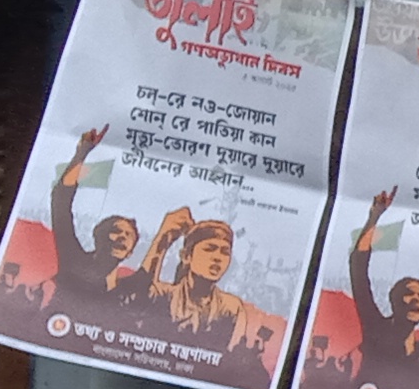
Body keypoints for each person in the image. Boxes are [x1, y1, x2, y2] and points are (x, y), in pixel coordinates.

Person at [143, 212, 286, 369]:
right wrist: (163, 239)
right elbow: (139, 294)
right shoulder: (164, 295)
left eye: (225, 252)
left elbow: (229, 359)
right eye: (209, 249)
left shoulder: (231, 307)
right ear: (186, 256)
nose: (218, 257)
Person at [345, 191, 419, 389]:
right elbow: (357, 267)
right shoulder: (375, 327)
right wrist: (374, 217)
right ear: (393, 300)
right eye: (408, 293)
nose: (415, 299)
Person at [46, 126, 147, 319]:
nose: (122, 237)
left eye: (129, 236)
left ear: (131, 252)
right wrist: (82, 152)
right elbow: (60, 200)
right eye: (117, 231)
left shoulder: (126, 292)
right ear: (98, 236)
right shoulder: (73, 259)